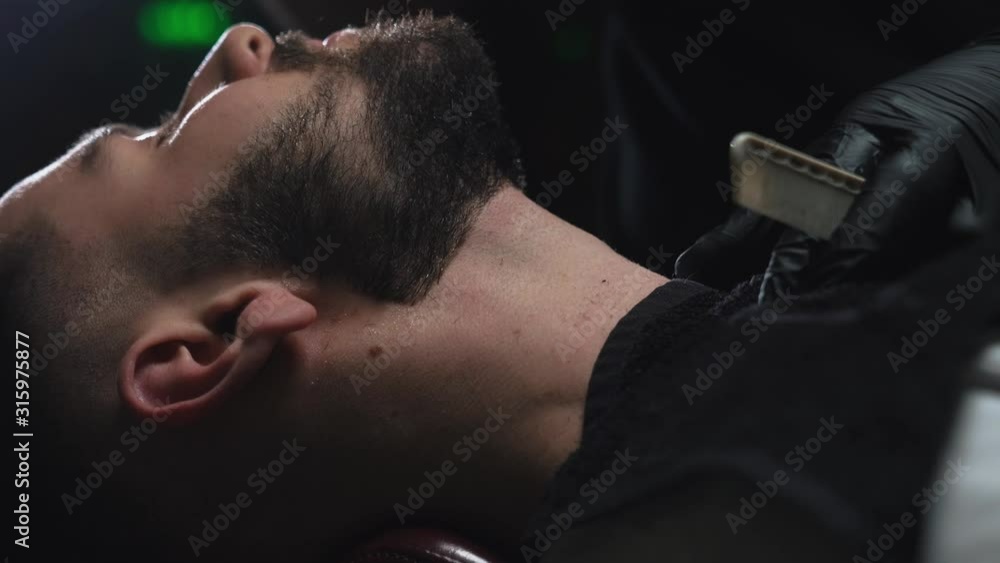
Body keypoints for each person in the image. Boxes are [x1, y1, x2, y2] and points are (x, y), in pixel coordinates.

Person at [2, 12, 999, 563]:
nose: (240, 42)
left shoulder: (717, 82)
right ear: (207, 343)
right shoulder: (783, 515)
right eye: (149, 137)